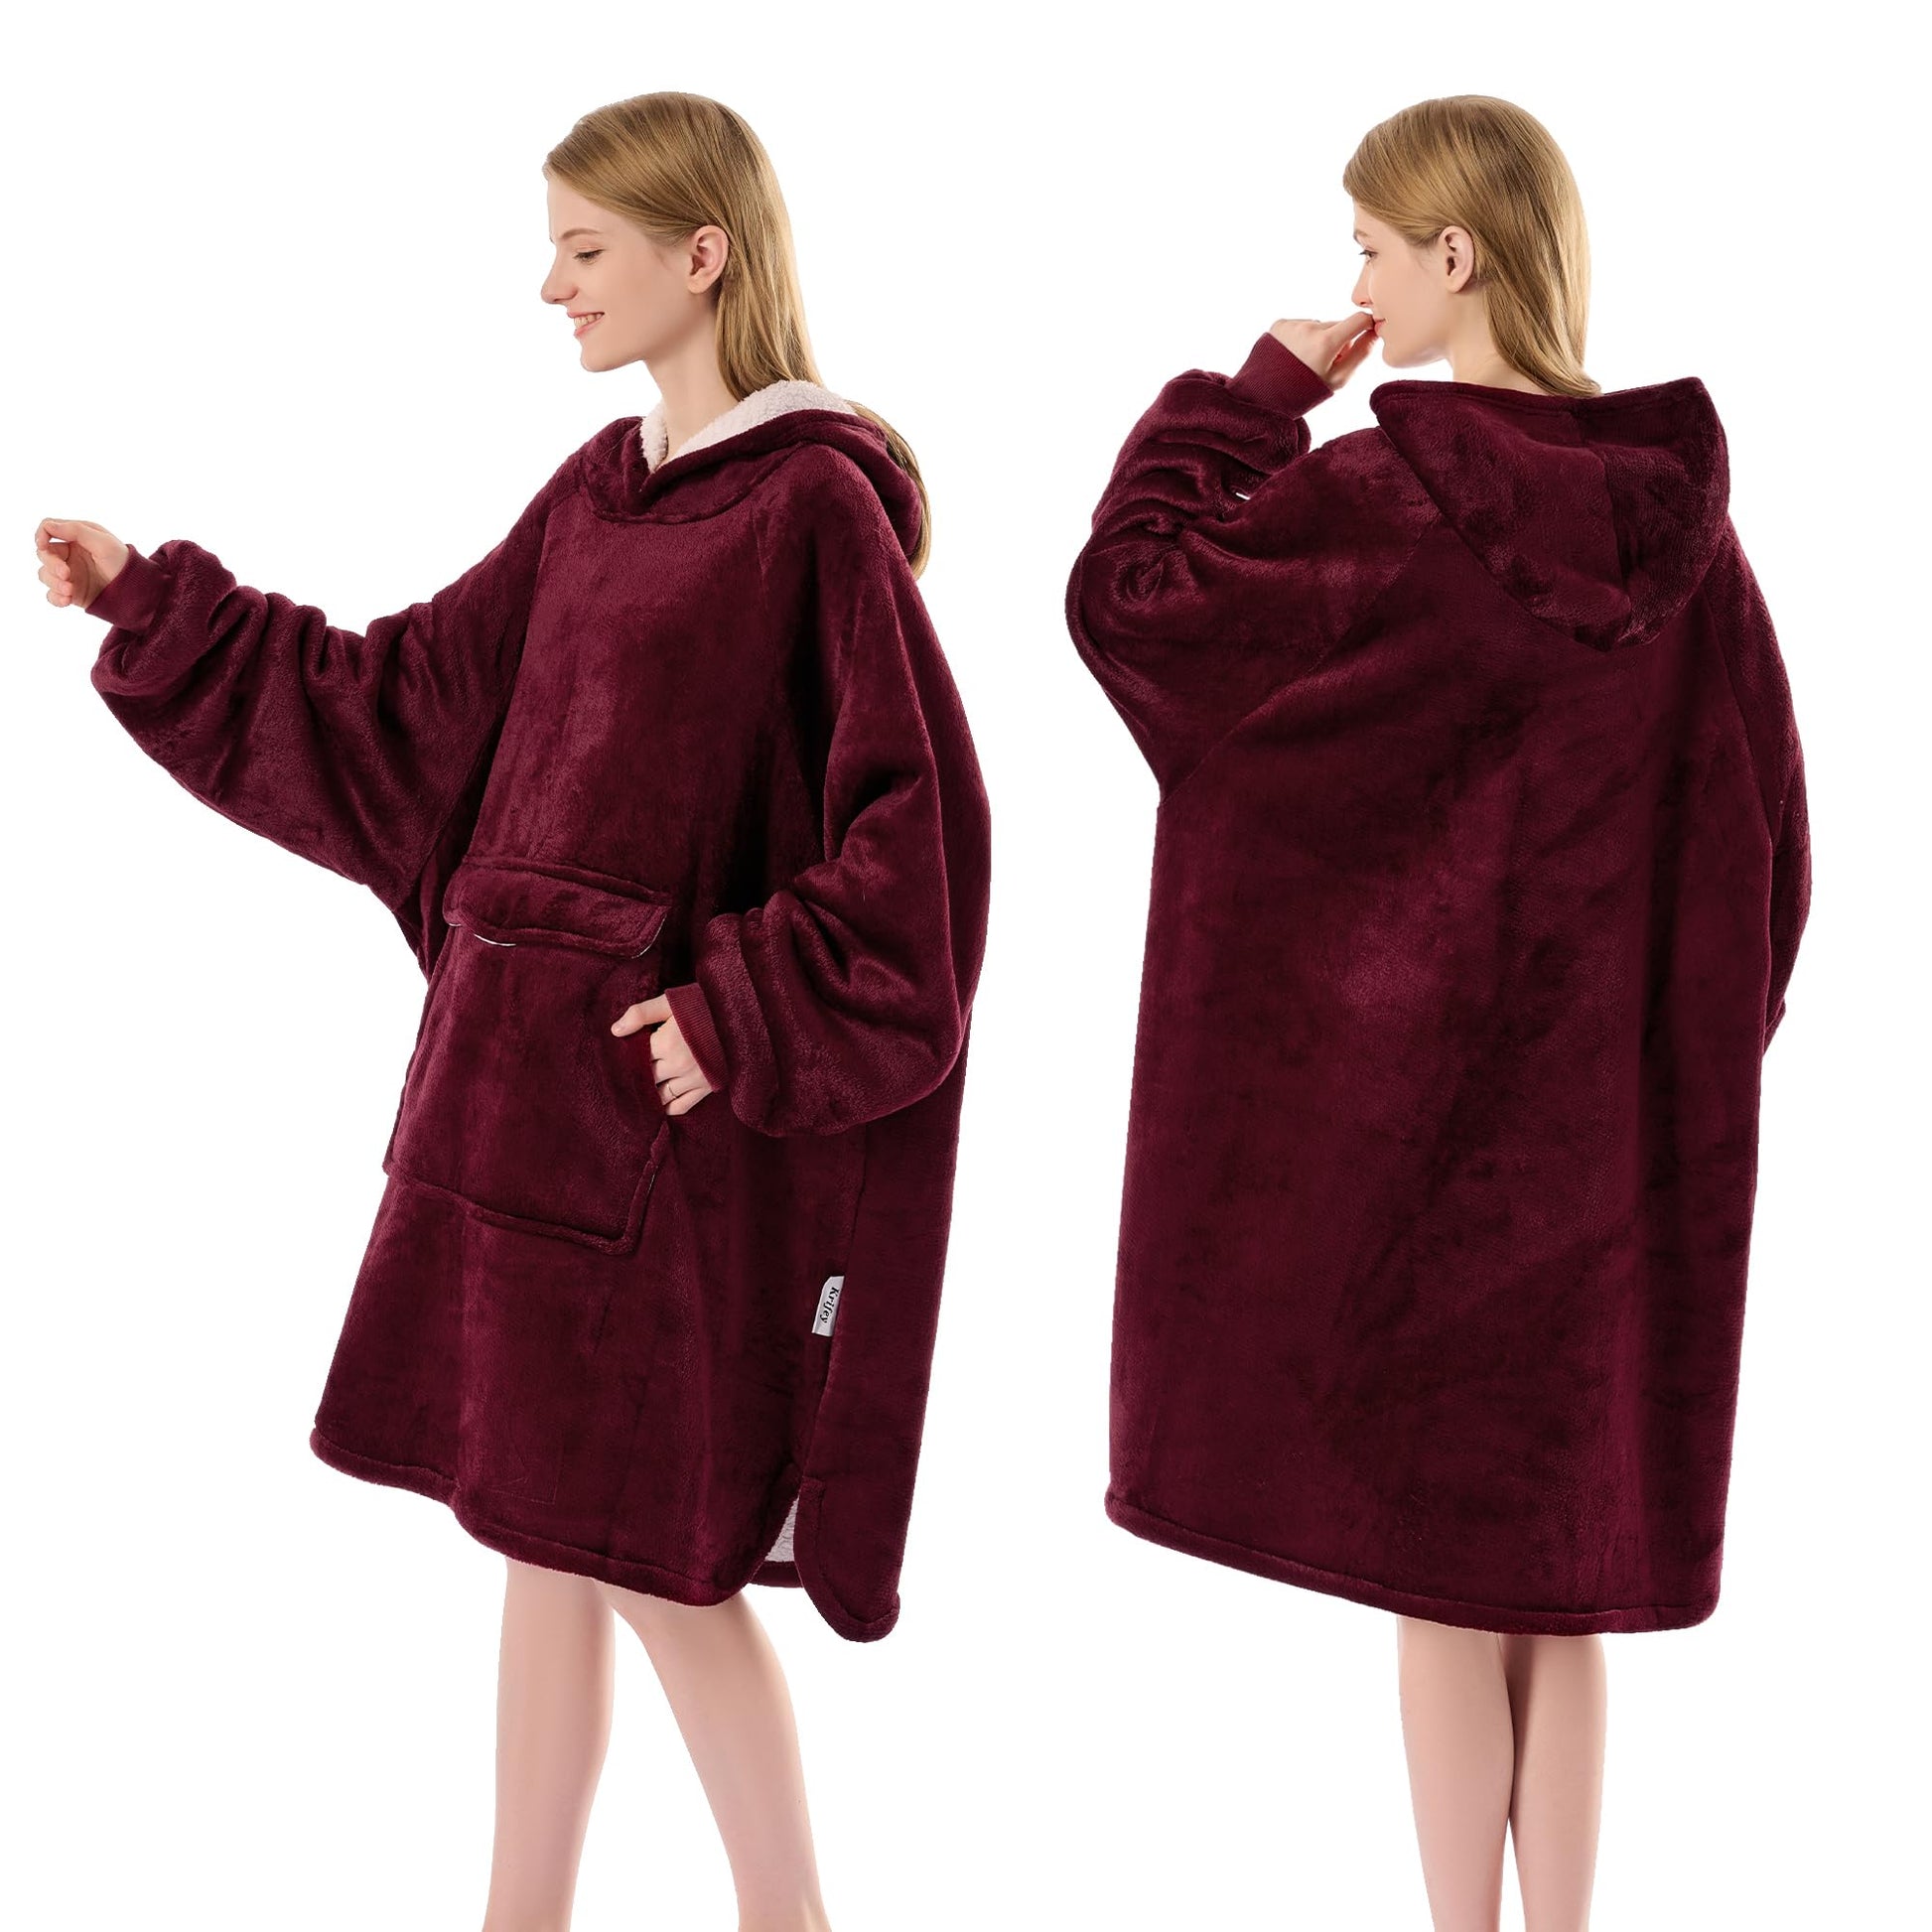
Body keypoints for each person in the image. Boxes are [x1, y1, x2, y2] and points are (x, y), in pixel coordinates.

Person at [38, 89, 991, 1932]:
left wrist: (737, 1009)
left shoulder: (811, 511)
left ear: (700, 255)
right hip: (514, 1124)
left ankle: (791, 1918)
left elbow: (915, 844)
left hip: (657, 1148)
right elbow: (399, 709)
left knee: (654, 1565)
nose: (550, 285)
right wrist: (152, 608)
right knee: (540, 1540)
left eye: (583, 248)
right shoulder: (593, 496)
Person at [1063, 94, 1809, 1932]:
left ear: (1452, 256)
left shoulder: (1380, 503)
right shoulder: (1692, 542)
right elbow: (1773, 850)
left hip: (1413, 1180)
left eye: (1370, 250)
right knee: (1560, 1578)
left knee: (1437, 1589)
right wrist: (1670, 1077)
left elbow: (1130, 603)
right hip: (1609, 1168)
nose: (1356, 285)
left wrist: (1249, 399)